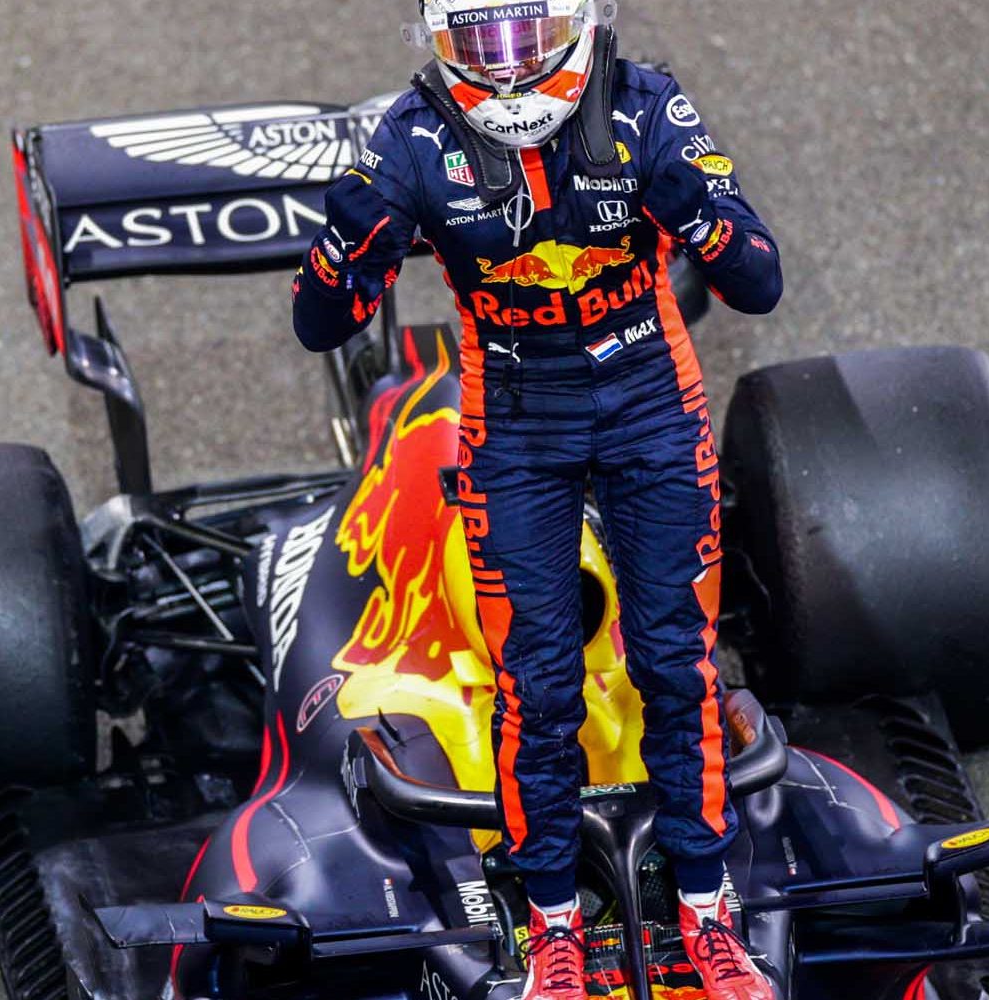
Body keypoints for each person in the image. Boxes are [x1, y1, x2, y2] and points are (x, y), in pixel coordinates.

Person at [290, 3, 782, 1000]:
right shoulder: (413, 138)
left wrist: (710, 219)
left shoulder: (645, 109)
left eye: (523, 35)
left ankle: (707, 912)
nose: (504, 68)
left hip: (649, 403)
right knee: (539, 684)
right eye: (477, 41)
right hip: (513, 422)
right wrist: (348, 249)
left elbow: (759, 281)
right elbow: (316, 321)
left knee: (675, 667)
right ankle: (552, 927)